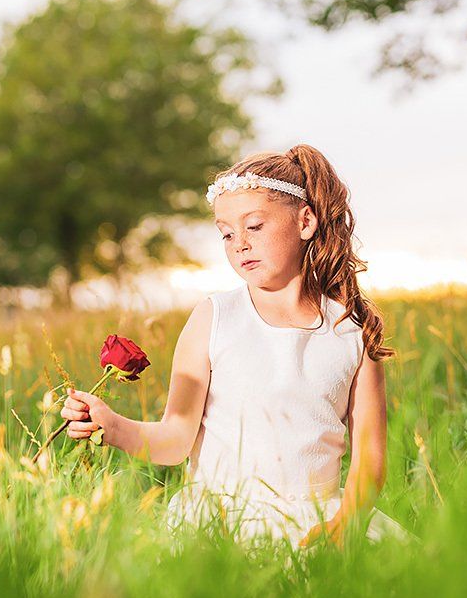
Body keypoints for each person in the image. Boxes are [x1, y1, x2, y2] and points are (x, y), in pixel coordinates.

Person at [61, 144, 409, 548]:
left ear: (305, 221)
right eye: (226, 233)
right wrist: (114, 426)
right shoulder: (214, 319)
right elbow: (175, 439)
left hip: (324, 519)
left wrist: (346, 524)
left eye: (254, 226)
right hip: (225, 520)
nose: (239, 243)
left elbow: (369, 458)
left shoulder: (350, 332)